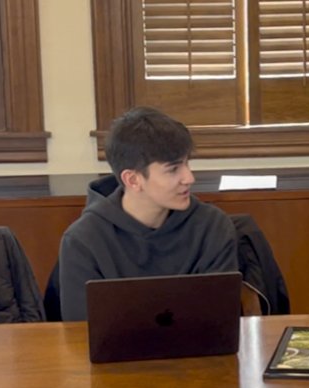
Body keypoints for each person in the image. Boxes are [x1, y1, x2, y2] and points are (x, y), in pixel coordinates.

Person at [58, 107, 238, 321]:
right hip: (116, 353)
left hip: (201, 352)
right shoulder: (83, 240)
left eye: (187, 163)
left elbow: (220, 319)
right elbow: (80, 332)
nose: (189, 178)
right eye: (173, 169)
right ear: (133, 180)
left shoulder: (212, 226)